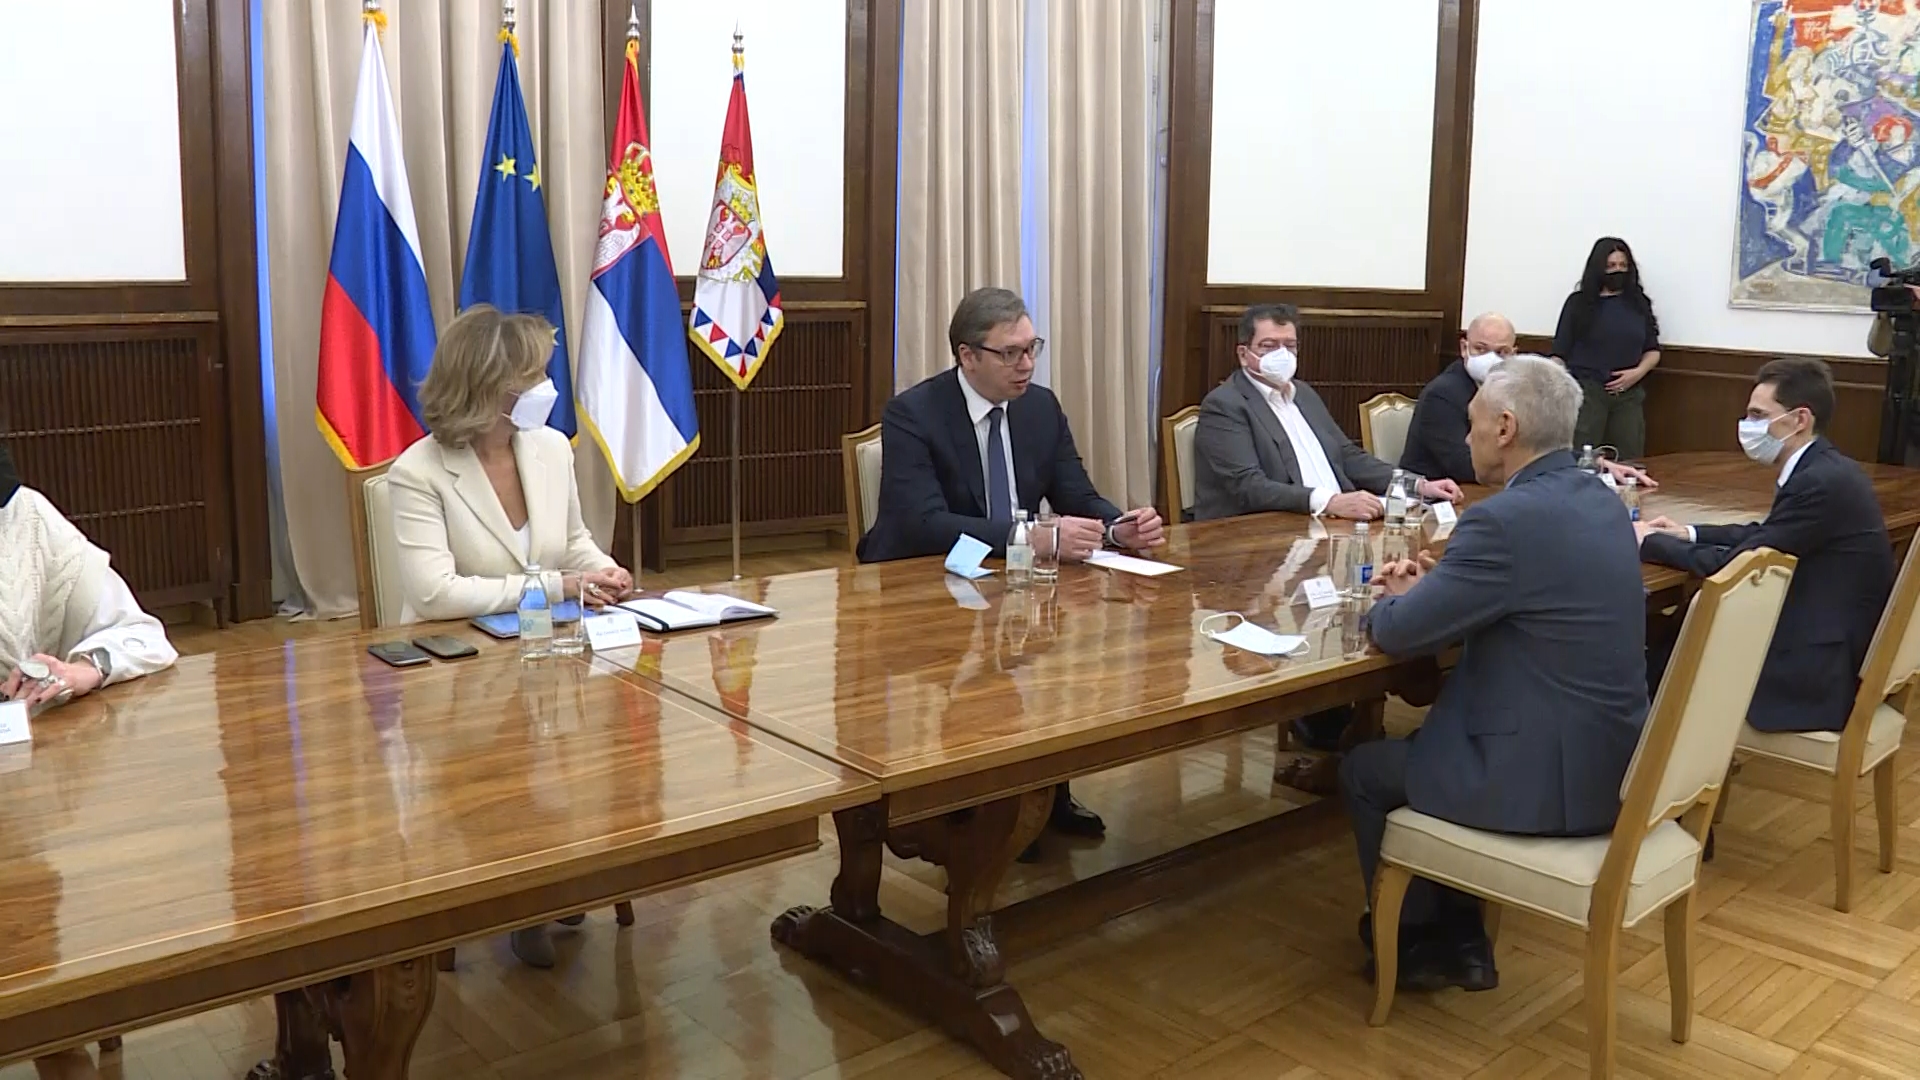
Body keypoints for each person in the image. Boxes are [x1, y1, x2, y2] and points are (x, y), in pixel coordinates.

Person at [1341, 356, 1649, 992]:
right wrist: (1445, 590)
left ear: (1505, 428)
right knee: (1429, 747)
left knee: (1365, 770)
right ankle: (1464, 942)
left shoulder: (1503, 519)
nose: (1466, 436)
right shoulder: (1601, 500)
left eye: (1473, 422)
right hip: (1610, 765)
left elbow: (1398, 632)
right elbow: (1525, 598)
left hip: (1537, 780)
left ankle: (1414, 943)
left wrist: (1397, 599)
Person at [858, 286, 1165, 847]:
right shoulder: (914, 413)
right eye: (1010, 353)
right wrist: (1031, 536)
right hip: (921, 587)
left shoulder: (1040, 408)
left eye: (1032, 348)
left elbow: (1075, 493)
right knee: (986, 671)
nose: (1026, 365)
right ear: (967, 355)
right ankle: (971, 813)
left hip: (1011, 585)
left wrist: (1117, 528)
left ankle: (1042, 794)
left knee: (1066, 658)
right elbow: (922, 522)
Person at [387, 304, 634, 968]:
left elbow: (572, 542)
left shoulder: (549, 448)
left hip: (550, 663)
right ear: (489, 388)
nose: (546, 387)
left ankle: (557, 879)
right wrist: (555, 586)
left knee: (588, 753)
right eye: (532, 376)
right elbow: (435, 593)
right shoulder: (419, 472)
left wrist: (602, 571)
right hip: (454, 682)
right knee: (503, 772)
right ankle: (513, 898)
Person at [0, 439, 179, 1080]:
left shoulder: (24, 518)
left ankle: (58, 1035)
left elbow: (144, 635)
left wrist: (84, 668)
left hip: (18, 816)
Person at [1638, 357, 1893, 735]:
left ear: (1800, 419)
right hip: (1824, 638)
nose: (1747, 425)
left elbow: (1739, 565)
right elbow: (1767, 535)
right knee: (1672, 632)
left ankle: (1657, 758)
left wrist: (1648, 542)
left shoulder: (1818, 482)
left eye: (1758, 415)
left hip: (1811, 671)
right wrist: (1687, 533)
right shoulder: (1826, 468)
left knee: (1671, 641)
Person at [1192, 304, 1464, 523]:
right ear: (1243, 354)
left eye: (1290, 345)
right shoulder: (1225, 405)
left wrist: (1416, 485)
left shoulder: (1303, 394)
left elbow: (1347, 456)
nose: (1282, 355)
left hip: (1336, 523)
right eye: (1269, 345)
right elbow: (1248, 486)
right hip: (1267, 532)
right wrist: (1330, 502)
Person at [1403, 313, 1659, 490]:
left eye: (1501, 352)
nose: (1490, 358)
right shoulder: (1442, 394)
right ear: (1464, 348)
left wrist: (1592, 463)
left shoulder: (1512, 390)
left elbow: (1537, 446)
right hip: (1436, 502)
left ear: (1514, 354)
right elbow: (1467, 466)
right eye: (1481, 349)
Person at [1552, 237, 1662, 458]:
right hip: (1588, 391)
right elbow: (1559, 352)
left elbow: (1652, 350)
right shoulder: (1578, 303)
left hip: (1628, 393)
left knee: (1630, 455)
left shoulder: (1639, 303)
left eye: (1623, 265)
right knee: (1582, 456)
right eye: (1611, 266)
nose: (1617, 271)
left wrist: (1637, 373)